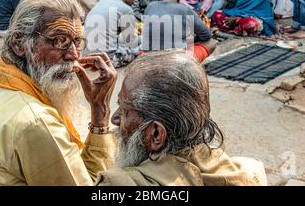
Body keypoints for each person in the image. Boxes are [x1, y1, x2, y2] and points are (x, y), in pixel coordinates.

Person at [0, 0, 118, 186]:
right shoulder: (36, 123)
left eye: (77, 42)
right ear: (19, 43)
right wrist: (100, 114)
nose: (73, 55)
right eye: (59, 40)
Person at [96, 50, 268, 186]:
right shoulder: (252, 172)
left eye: (125, 111)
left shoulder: (117, 184)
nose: (115, 119)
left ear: (156, 134)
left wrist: (98, 118)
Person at [142, 0, 217, 63]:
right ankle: (192, 68)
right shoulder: (184, 9)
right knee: (211, 42)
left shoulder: (150, 6)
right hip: (176, 58)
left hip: (150, 54)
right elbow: (206, 35)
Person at [84, 0, 141, 68]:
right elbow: (131, 42)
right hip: (108, 59)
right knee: (143, 46)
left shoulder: (105, 0)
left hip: (89, 54)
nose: (135, 1)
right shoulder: (126, 9)